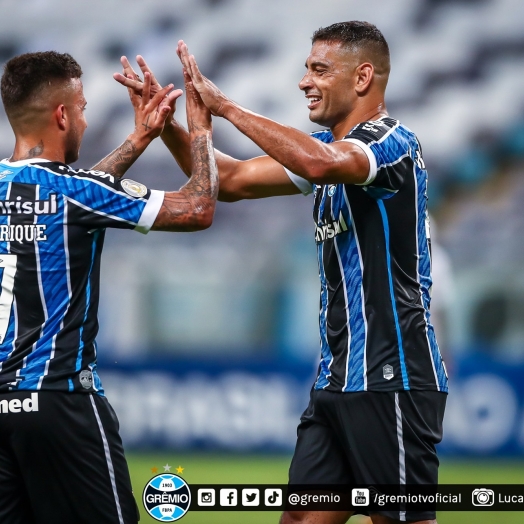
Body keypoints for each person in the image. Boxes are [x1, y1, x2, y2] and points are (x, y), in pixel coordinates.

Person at [117, 21, 448, 524]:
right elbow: (230, 180)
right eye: (305, 69)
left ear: (362, 78)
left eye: (319, 70)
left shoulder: (390, 143)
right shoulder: (327, 149)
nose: (303, 81)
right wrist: (166, 124)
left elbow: (319, 164)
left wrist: (226, 107)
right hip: (338, 376)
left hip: (392, 374)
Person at [0, 51, 218, 524]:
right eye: (80, 108)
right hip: (59, 401)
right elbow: (198, 207)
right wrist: (200, 130)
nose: (82, 117)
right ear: (61, 115)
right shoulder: (73, 191)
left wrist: (138, 139)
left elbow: (73, 197)